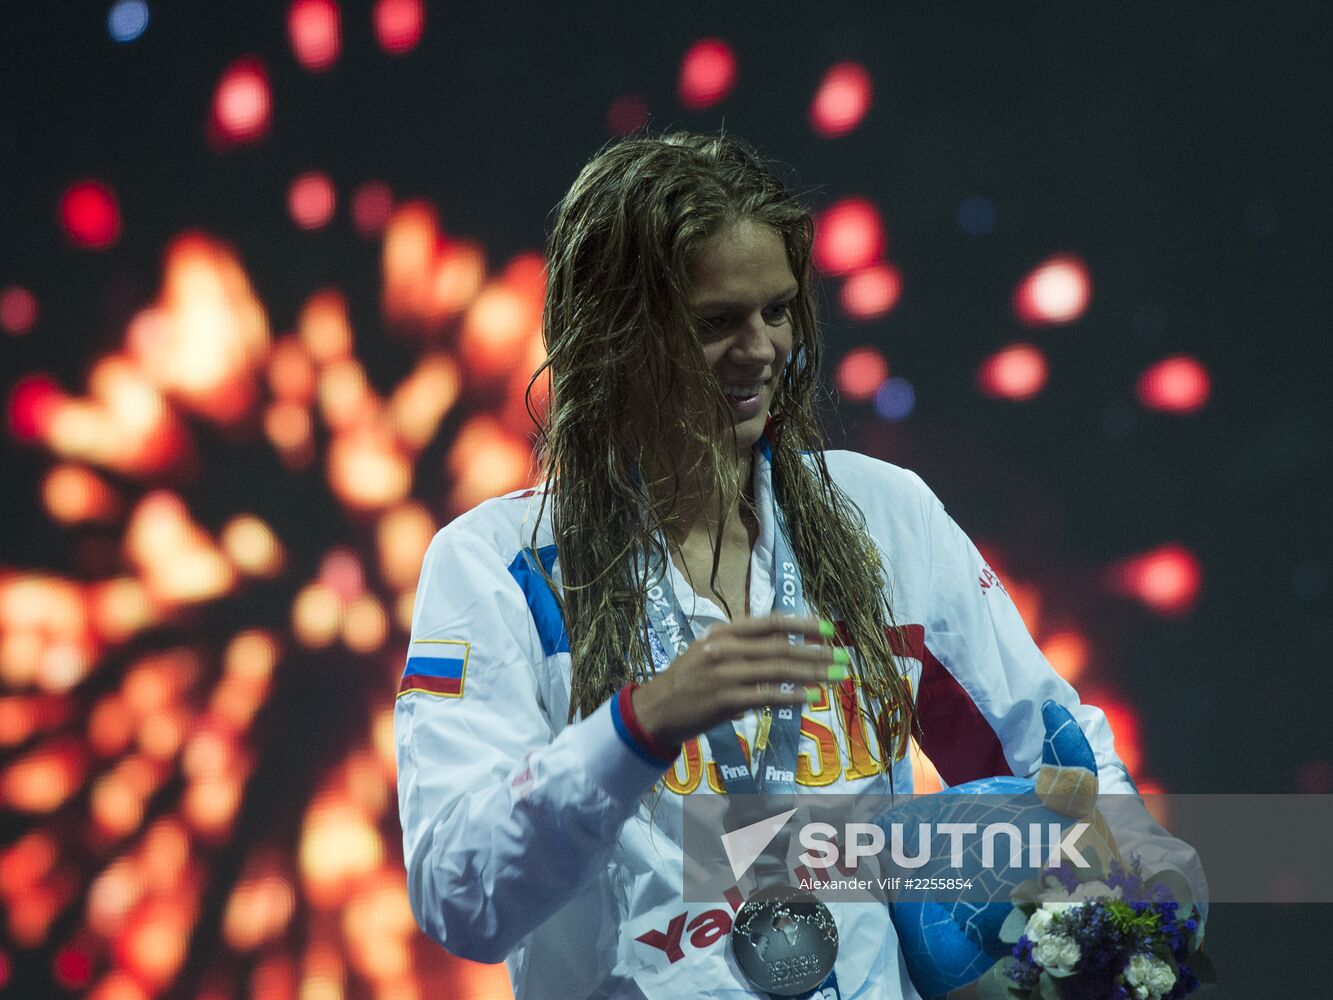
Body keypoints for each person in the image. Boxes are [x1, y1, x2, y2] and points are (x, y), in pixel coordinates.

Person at [394, 132, 1204, 999]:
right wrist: (638, 728)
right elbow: (461, 896)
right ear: (613, 335)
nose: (760, 350)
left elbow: (1055, 758)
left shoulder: (881, 520)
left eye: (777, 311)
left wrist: (1140, 894)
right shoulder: (498, 568)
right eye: (713, 324)